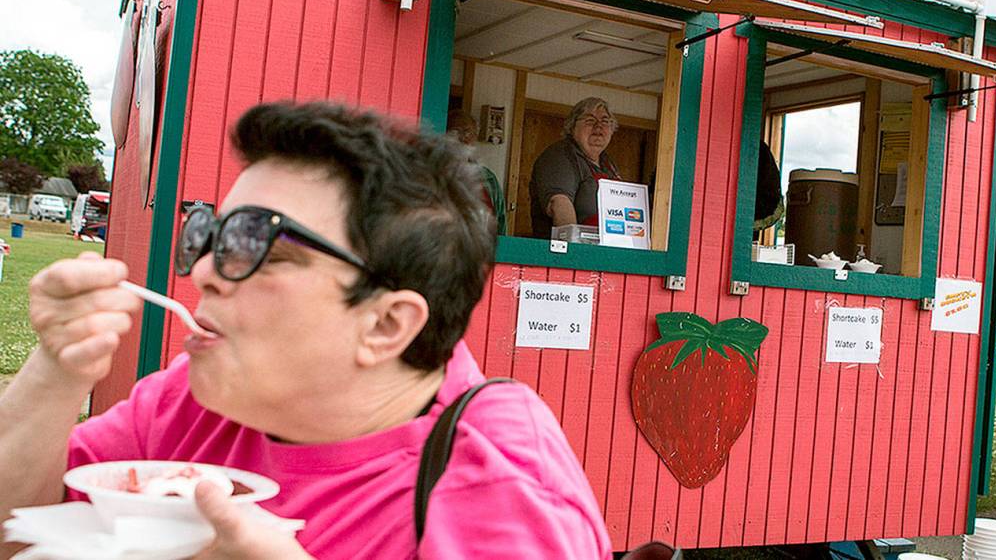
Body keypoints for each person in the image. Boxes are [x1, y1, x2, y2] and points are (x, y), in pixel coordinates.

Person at [0, 102, 612, 559]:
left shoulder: (502, 490)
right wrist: (57, 371)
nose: (205, 270)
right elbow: (16, 533)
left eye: (256, 243)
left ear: (385, 325)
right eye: (211, 234)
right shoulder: (198, 396)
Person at [529, 96, 621, 239]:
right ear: (572, 127)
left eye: (605, 121)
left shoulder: (608, 163)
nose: (598, 127)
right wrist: (573, 249)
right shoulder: (560, 155)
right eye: (590, 121)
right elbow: (559, 204)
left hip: (606, 247)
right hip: (571, 250)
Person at [446, 109, 507, 235]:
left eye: (468, 132)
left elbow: (500, 224)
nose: (463, 138)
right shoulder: (434, 173)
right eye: (456, 132)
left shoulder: (489, 178)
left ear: (475, 137)